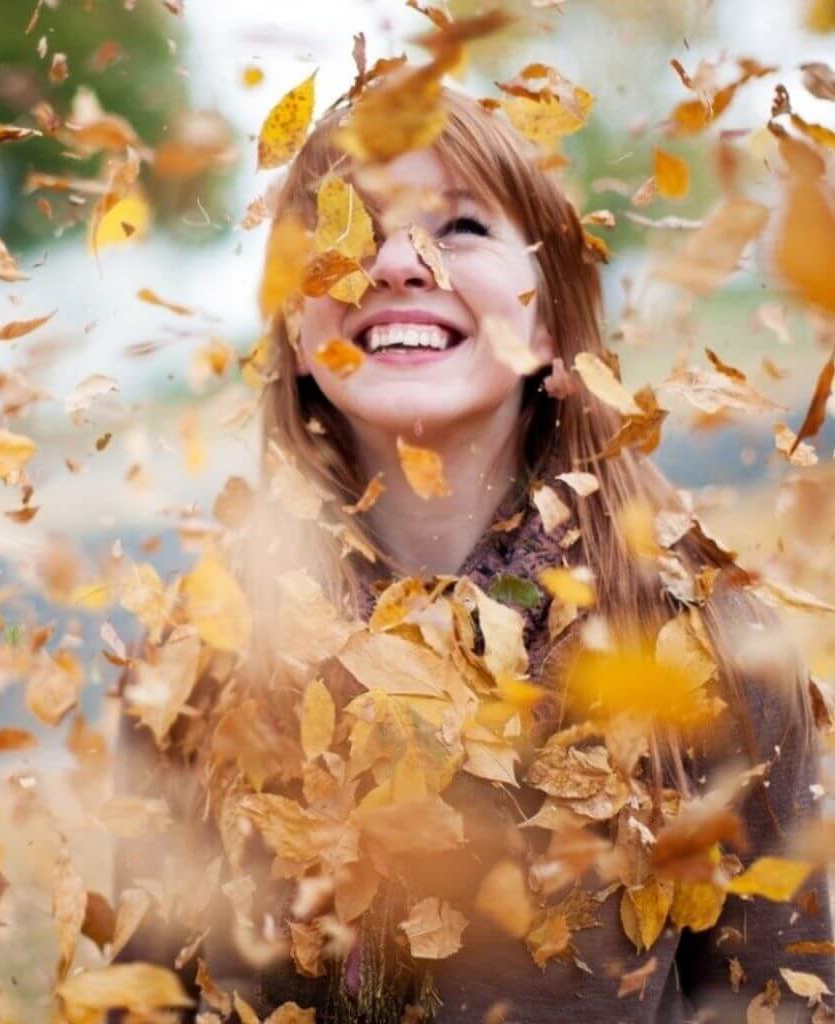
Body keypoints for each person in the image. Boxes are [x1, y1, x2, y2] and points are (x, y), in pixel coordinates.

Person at [113, 77, 833, 1024]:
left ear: (548, 323)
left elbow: (781, 996)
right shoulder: (198, 660)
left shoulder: (707, 649)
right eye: (347, 225)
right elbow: (139, 996)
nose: (400, 261)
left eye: (459, 228)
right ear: (295, 332)